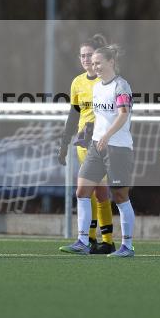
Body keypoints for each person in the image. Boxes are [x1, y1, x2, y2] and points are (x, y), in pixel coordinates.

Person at [60, 44, 136, 257]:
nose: (95, 66)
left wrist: (107, 135)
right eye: (93, 63)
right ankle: (83, 241)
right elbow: (97, 117)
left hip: (117, 148)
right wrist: (89, 134)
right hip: (96, 146)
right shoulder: (97, 88)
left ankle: (127, 246)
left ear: (111, 62)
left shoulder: (121, 86)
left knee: (120, 196)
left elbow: (123, 115)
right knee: (82, 191)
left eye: (98, 62)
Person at [58, 34, 115, 254]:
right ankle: (92, 239)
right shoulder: (77, 82)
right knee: (90, 192)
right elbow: (74, 115)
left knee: (100, 192)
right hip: (83, 143)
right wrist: (64, 143)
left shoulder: (107, 81)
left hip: (101, 143)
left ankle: (106, 240)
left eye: (89, 55)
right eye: (82, 55)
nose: (85, 59)